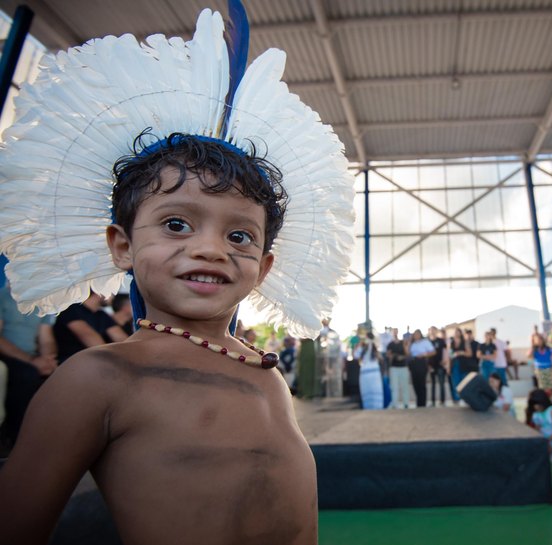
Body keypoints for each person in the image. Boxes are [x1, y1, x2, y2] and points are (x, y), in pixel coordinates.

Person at [0, 4, 354, 544]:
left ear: (263, 269)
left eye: (239, 236)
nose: (210, 249)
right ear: (121, 245)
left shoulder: (267, 374)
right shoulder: (96, 379)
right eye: (176, 223)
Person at [0, 280, 57, 449]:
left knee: (61, 375)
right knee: (27, 375)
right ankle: (16, 439)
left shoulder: (41, 303)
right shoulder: (2, 297)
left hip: (32, 359)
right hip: (7, 357)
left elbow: (46, 338)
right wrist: (32, 361)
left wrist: (49, 359)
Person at [53, 292, 128, 364]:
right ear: (99, 290)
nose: (114, 295)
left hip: (93, 363)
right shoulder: (71, 309)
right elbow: (90, 338)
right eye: (111, 290)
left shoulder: (101, 315)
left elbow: (121, 338)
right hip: (69, 363)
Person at [526, 388, 552, 455]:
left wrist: (545, 441)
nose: (535, 406)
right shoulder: (536, 414)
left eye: (536, 404)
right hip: (544, 440)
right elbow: (537, 430)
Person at [354, 333, 383, 410]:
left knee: (372, 388)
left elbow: (356, 355)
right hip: (370, 371)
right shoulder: (371, 345)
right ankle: (373, 406)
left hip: (369, 371)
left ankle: (374, 406)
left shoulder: (372, 346)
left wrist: (359, 345)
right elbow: (356, 356)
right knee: (370, 389)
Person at [406, 329, 435, 408]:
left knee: (422, 383)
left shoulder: (425, 342)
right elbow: (408, 353)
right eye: (415, 334)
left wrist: (424, 355)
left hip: (421, 362)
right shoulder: (412, 344)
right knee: (415, 383)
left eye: (417, 334)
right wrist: (408, 344)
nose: (416, 336)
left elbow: (433, 352)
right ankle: (419, 402)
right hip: (413, 363)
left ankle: (423, 403)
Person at [386, 328, 410, 409]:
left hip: (403, 367)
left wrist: (402, 356)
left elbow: (407, 354)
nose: (395, 333)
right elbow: (388, 355)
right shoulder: (390, 344)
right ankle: (395, 404)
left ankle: (406, 403)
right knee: (394, 387)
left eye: (396, 331)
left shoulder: (403, 343)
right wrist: (393, 356)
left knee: (405, 386)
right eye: (394, 332)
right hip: (394, 367)